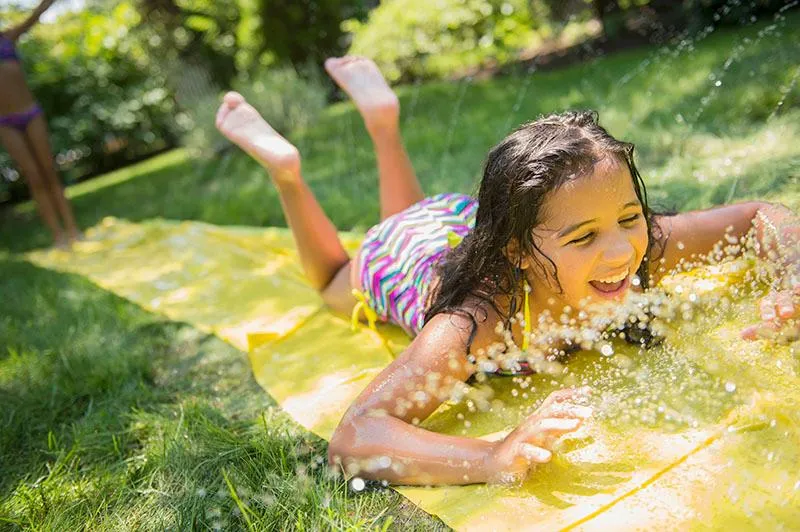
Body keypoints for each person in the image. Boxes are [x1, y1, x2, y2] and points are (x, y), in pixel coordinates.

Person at [215, 56, 800, 486]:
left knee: (415, 213)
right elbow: (354, 438)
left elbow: (757, 216)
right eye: (585, 236)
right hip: (404, 256)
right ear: (519, 250)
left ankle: (383, 120)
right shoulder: (480, 321)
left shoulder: (631, 244)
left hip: (457, 222)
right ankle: (287, 171)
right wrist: (491, 454)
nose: (620, 250)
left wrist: (793, 273)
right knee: (330, 281)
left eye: (628, 217)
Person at [0, 0, 81, 248]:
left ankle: (73, 229)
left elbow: (37, 13)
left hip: (30, 113)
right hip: (5, 123)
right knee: (34, 178)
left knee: (49, 171)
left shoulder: (8, 38)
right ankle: (58, 236)